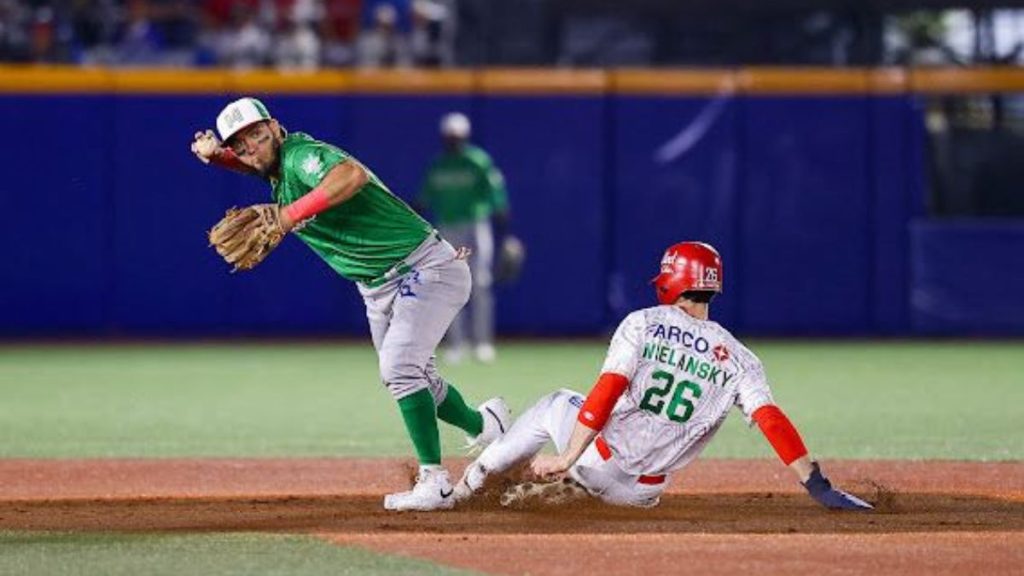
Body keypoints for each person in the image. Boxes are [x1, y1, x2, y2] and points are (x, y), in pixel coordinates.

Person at [190, 97, 510, 512]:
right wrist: (218, 157)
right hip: (378, 288)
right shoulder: (276, 168)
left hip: (424, 269)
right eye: (240, 142)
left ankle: (435, 481)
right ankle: (486, 425)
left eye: (256, 132)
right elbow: (255, 162)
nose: (250, 145)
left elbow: (350, 175)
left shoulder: (301, 156)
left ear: (274, 126)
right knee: (416, 378)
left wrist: (286, 217)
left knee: (400, 368)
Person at [454, 241, 872, 511]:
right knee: (616, 463)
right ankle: (556, 488)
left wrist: (566, 457)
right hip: (641, 494)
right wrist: (817, 485)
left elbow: (609, 388)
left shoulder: (645, 322)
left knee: (557, 402)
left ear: (673, 282)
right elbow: (771, 421)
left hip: (597, 461)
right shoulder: (741, 359)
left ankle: (468, 485)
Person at [418, 112, 511, 363]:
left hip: (475, 225)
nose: (453, 142)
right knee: (451, 285)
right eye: (450, 137)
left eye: (457, 137)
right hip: (448, 228)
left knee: (480, 282)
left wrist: (506, 233)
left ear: (465, 137)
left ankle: (482, 343)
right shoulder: (437, 165)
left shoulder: (477, 161)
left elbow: (497, 195)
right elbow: (423, 199)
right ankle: (457, 344)